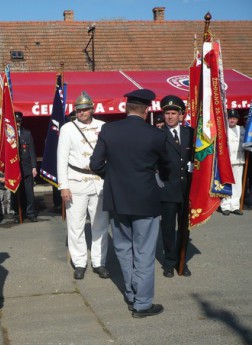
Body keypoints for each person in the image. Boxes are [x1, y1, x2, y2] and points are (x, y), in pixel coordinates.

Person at [90, 89, 170, 318]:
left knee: (124, 249)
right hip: (146, 199)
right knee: (144, 252)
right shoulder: (156, 135)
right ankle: (142, 304)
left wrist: (113, 175)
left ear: (126, 108)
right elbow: (166, 167)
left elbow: (95, 163)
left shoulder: (109, 129)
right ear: (146, 110)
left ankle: (132, 294)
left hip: (118, 199)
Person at [57, 91, 110, 280]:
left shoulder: (103, 127)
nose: (81, 112)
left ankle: (99, 262)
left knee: (100, 225)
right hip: (76, 181)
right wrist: (63, 185)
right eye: (78, 110)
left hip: (98, 182)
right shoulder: (67, 129)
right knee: (76, 225)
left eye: (85, 109)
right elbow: (61, 159)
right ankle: (79, 262)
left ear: (92, 109)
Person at [158, 95, 194, 278]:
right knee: (168, 228)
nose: (170, 116)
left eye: (173, 113)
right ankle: (169, 262)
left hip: (186, 188)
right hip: (167, 188)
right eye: (167, 113)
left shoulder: (190, 133)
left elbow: (197, 156)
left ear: (181, 115)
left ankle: (182, 261)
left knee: (184, 227)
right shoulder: (158, 134)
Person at [12, 111, 38, 223]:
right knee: (17, 193)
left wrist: (34, 167)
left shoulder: (27, 133)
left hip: (26, 167)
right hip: (15, 168)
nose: (18, 123)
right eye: (16, 121)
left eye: (19, 121)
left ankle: (31, 213)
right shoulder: (9, 134)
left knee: (29, 192)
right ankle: (18, 213)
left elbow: (32, 151)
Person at [220, 109, 245, 216]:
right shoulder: (223, 130)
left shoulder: (243, 129)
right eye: (230, 118)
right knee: (226, 183)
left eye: (234, 118)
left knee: (237, 184)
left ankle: (235, 205)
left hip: (239, 160)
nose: (232, 120)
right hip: (227, 161)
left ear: (237, 120)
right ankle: (225, 205)